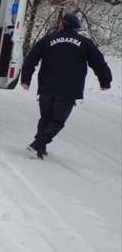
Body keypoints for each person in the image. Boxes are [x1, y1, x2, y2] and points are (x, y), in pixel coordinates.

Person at [21, 13, 112, 158]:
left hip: (46, 85)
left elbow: (31, 59)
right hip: (69, 88)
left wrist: (25, 79)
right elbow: (99, 62)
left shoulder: (48, 40)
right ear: (77, 28)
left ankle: (40, 147)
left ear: (61, 25)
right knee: (57, 120)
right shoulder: (85, 43)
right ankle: (37, 144)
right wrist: (105, 80)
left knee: (46, 117)